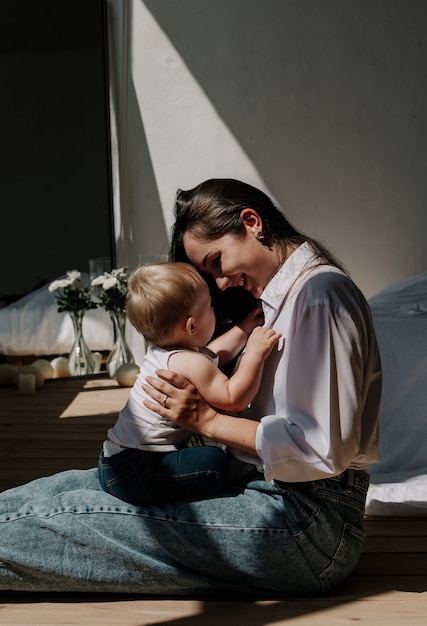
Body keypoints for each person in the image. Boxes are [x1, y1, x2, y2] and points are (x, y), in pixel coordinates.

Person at [0, 178, 381, 597]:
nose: (220, 283)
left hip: (307, 525)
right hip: (266, 488)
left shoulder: (319, 295)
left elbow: (323, 447)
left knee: (72, 520)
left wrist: (206, 420)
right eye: (208, 272)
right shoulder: (283, 298)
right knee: (62, 492)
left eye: (217, 261)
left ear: (251, 222)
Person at [98, 261, 281, 505]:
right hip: (138, 472)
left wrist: (244, 328)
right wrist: (254, 354)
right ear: (192, 326)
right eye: (209, 307)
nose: (214, 310)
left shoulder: (170, 354)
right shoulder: (188, 362)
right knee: (212, 461)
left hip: (115, 460)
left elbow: (215, 354)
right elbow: (233, 397)